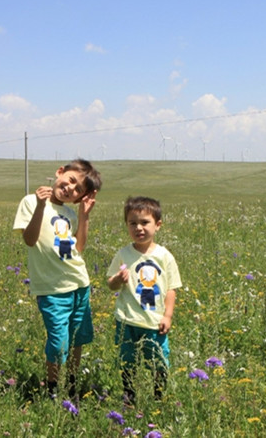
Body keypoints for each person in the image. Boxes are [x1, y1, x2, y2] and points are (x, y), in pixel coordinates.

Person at [12, 158, 102, 399]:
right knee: (58, 341)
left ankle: (71, 383)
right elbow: (29, 240)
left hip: (79, 283)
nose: (71, 188)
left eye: (78, 190)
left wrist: (84, 217)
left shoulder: (70, 213)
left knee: (77, 338)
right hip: (51, 289)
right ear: (60, 172)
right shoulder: (31, 202)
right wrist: (41, 207)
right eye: (71, 180)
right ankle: (53, 387)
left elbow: (78, 248)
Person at [107, 196, 181, 404]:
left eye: (144, 222)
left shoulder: (165, 256)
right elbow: (110, 284)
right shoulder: (123, 254)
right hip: (127, 319)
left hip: (154, 321)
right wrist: (117, 280)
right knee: (128, 360)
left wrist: (167, 315)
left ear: (157, 225)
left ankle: (158, 398)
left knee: (158, 361)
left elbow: (171, 289)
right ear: (127, 225)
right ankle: (129, 396)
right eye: (133, 223)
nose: (138, 228)